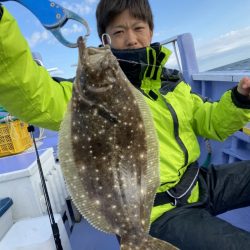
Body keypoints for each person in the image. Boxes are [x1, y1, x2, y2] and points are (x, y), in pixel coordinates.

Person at [1, 0, 250, 249]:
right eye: (119, 31)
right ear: (105, 38)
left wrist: (240, 99)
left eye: (138, 28)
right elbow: (32, 94)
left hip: (197, 183)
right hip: (153, 212)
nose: (131, 39)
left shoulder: (172, 84)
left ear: (150, 31)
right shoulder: (82, 98)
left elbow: (211, 123)